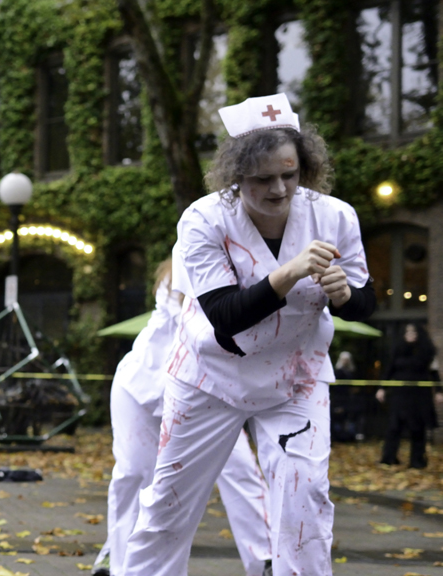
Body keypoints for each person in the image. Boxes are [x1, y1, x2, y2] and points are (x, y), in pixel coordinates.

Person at [122, 93, 375, 576]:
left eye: (290, 175)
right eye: (262, 179)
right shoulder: (203, 220)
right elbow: (226, 315)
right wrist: (291, 271)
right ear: (236, 177)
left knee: (305, 499)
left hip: (296, 379)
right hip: (209, 378)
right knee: (168, 506)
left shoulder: (335, 216)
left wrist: (346, 296)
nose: (279, 189)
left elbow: (365, 302)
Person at [93, 259, 272, 576]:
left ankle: (267, 561)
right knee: (134, 473)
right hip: (141, 388)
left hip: (206, 397)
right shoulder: (187, 264)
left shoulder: (250, 265)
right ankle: (119, 560)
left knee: (240, 470)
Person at [377, 323, 438, 468]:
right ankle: (388, 458)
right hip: (400, 394)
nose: (411, 335)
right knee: (394, 426)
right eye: (408, 332)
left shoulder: (427, 352)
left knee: (417, 427)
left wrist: (439, 391)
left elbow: (434, 372)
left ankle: (417, 460)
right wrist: (382, 388)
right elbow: (389, 370)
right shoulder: (398, 351)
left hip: (419, 395)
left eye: (414, 332)